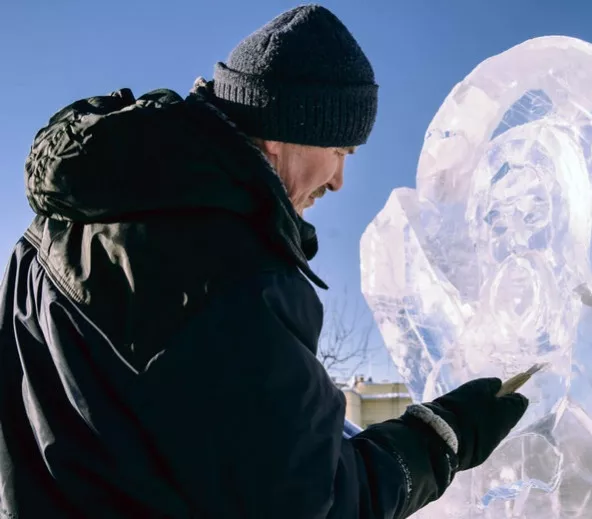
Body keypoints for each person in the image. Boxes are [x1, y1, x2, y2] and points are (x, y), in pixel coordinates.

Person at [0, 5, 529, 518]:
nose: (340, 179)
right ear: (284, 131)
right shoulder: (234, 273)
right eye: (341, 151)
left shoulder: (59, 226)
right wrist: (444, 437)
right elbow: (313, 502)